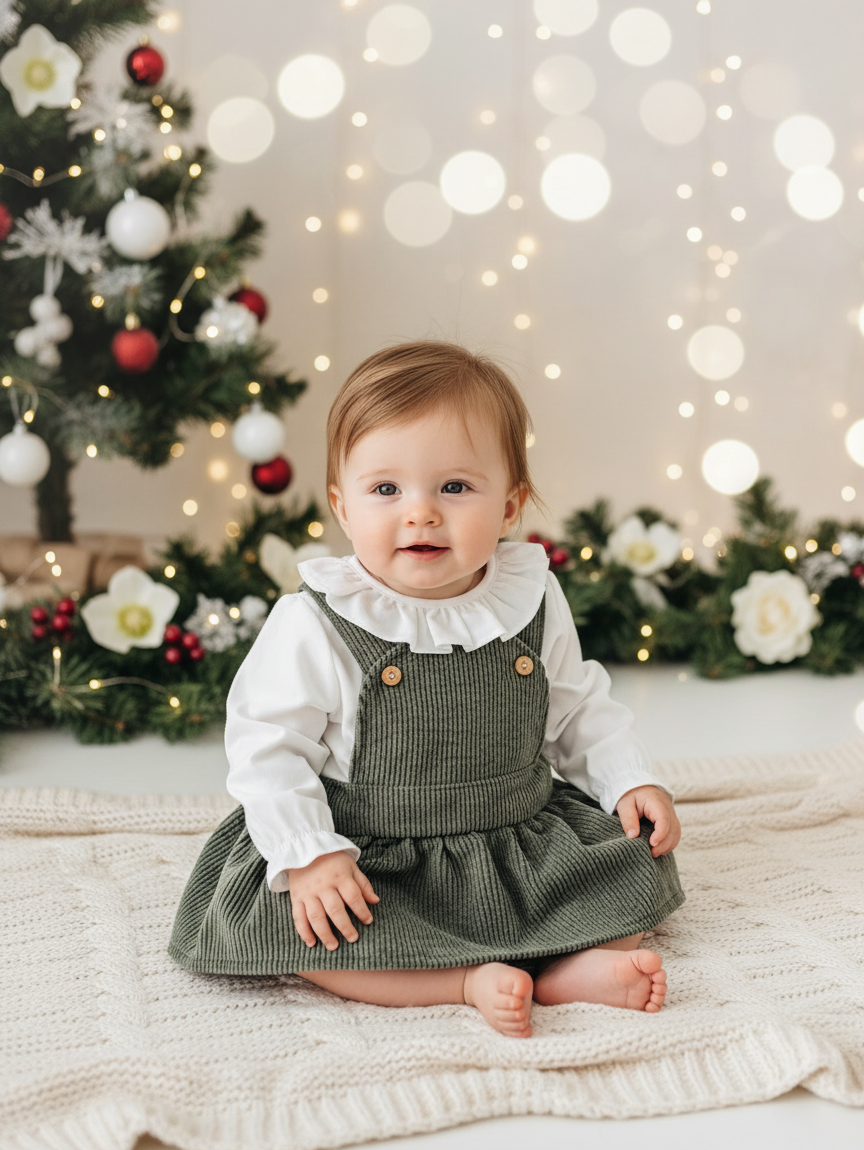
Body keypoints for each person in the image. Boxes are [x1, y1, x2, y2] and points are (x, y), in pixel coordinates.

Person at [169, 340, 684, 1038]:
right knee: (310, 932)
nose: (420, 513)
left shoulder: (529, 598)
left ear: (510, 505)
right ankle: (462, 982)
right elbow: (267, 747)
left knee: (635, 875)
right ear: (342, 507)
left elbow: (576, 706)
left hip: (511, 840)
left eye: (455, 487)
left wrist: (627, 780)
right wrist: (311, 853)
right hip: (374, 853)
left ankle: (563, 972)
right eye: (386, 490)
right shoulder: (318, 620)